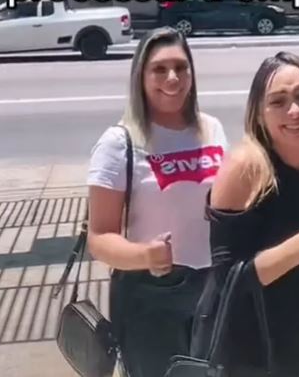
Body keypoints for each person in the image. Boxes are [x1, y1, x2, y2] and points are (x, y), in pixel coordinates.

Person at [191, 51, 299, 377]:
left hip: (296, 351)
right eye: (278, 101)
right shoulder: (244, 169)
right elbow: (231, 280)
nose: (295, 110)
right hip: (238, 357)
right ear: (259, 114)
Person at [86, 27, 228, 377]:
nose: (173, 78)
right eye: (159, 69)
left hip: (212, 289)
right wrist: (144, 256)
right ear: (141, 76)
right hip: (150, 297)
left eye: (181, 67)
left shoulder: (212, 128)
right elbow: (99, 238)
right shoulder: (119, 142)